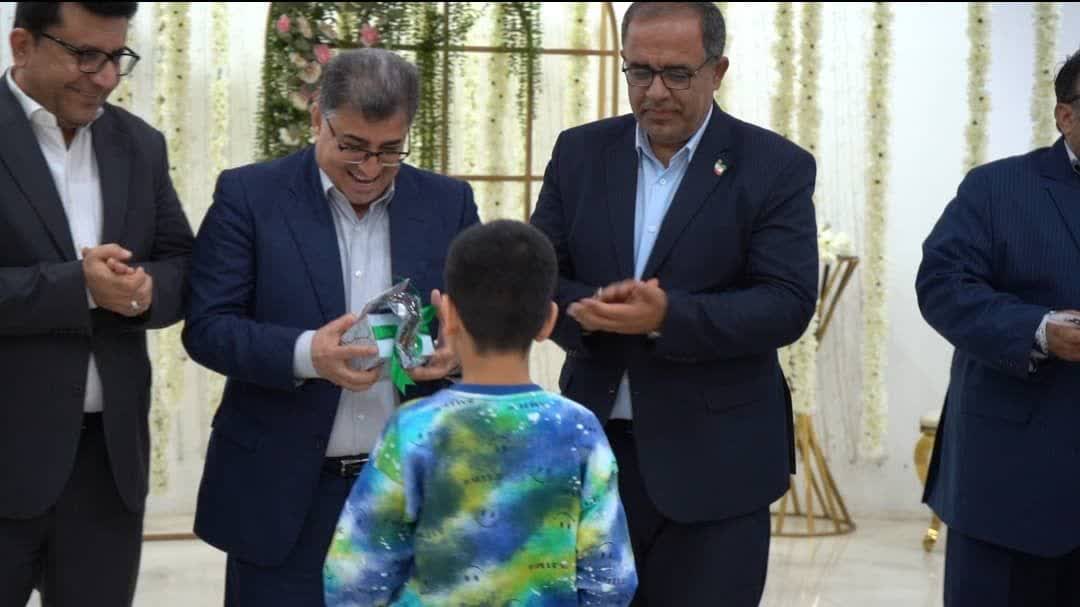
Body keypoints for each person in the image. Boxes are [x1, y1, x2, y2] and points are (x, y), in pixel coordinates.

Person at [529, 3, 818, 605]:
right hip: (594, 457)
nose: (656, 91)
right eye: (640, 71)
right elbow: (540, 274)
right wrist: (598, 309)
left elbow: (786, 302)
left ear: (718, 71)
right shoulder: (580, 154)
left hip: (719, 467)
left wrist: (668, 316)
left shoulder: (774, 167)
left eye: (677, 74)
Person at [182, 48, 479, 606]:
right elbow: (207, 327)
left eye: (389, 150)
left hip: (411, 493)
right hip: (282, 496)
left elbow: (476, 321)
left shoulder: (448, 203)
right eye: (353, 147)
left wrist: (459, 354)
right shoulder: (250, 196)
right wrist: (306, 355)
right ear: (319, 116)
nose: (369, 168)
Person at [323, 219, 637, 606]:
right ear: (548, 321)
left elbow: (352, 577)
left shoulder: (414, 428)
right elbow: (612, 581)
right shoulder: (579, 429)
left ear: (450, 316)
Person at [0, 2, 195, 605]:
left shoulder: (140, 145)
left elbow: (183, 264)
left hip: (108, 470)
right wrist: (79, 287)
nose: (106, 77)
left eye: (116, 57)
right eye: (86, 56)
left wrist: (145, 291)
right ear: (22, 45)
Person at [916, 48, 1080, 607]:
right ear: (1066, 115)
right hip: (1012, 485)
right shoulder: (998, 188)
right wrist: (1039, 330)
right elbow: (942, 285)